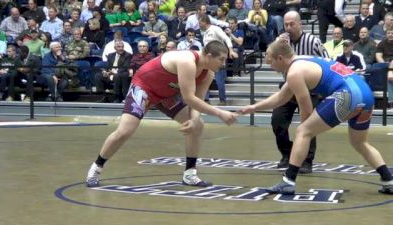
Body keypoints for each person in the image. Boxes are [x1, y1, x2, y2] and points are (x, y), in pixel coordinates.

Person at [239, 39, 393, 195]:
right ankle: (388, 180)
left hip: (347, 95)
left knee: (303, 131)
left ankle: (288, 181)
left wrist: (304, 134)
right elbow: (281, 97)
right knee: (360, 142)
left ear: (280, 58)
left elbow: (306, 109)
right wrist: (254, 107)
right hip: (366, 94)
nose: (271, 67)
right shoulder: (303, 61)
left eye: (271, 63)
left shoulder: (294, 72)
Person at [86, 40, 238, 187]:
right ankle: (96, 168)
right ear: (209, 56)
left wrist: (193, 120)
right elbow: (189, 98)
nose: (223, 64)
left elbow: (197, 101)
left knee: (197, 125)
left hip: (166, 93)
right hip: (144, 87)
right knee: (125, 131)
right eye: (221, 59)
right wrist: (220, 113)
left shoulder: (208, 73)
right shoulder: (187, 60)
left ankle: (190, 174)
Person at [272, 11, 329, 173]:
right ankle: (287, 154)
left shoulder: (313, 41)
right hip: (289, 87)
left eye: (292, 24)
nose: (288, 28)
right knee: (277, 121)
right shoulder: (281, 42)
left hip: (311, 89)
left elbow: (326, 62)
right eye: (286, 24)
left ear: (300, 24)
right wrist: (278, 48)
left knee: (308, 125)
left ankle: (306, 160)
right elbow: (275, 65)